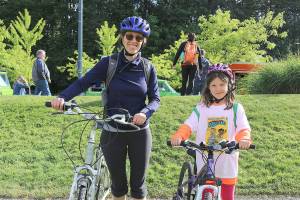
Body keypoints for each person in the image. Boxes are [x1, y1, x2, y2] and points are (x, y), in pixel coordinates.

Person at [50, 16, 160, 200]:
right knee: (118, 187)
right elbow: (83, 83)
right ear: (122, 37)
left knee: (138, 187)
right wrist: (62, 97)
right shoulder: (108, 63)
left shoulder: (148, 67)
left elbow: (156, 99)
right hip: (111, 130)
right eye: (129, 36)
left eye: (138, 38)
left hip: (139, 131)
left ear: (144, 41)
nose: (133, 41)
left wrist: (145, 112)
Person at [170, 64, 252, 200]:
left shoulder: (236, 108)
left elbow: (243, 128)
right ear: (208, 87)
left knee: (227, 195)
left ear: (229, 86)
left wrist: (244, 139)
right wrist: (179, 136)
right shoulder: (202, 108)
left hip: (227, 157)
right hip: (204, 155)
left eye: (221, 84)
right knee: (202, 191)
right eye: (213, 85)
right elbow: (189, 125)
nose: (218, 89)